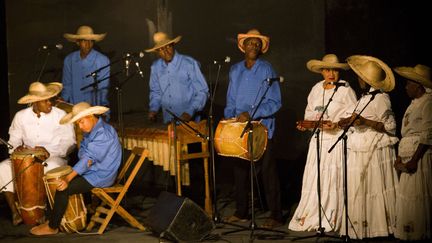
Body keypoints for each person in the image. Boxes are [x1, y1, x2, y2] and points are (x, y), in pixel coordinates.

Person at [30, 102, 122, 235]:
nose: (80, 126)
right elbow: (83, 154)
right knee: (59, 182)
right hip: (94, 171)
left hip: (102, 175)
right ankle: (51, 219)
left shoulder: (103, 134)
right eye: (77, 123)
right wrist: (87, 160)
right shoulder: (92, 130)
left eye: (81, 122)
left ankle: (52, 227)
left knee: (63, 188)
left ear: (91, 116)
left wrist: (69, 178)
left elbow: (86, 158)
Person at [288, 54, 357, 232]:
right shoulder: (316, 89)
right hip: (319, 140)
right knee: (316, 177)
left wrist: (336, 124)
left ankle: (332, 216)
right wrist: (307, 125)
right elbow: (310, 113)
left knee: (332, 178)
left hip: (335, 140)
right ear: (321, 72)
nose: (331, 74)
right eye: (327, 70)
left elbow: (353, 116)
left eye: (334, 70)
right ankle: (313, 214)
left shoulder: (345, 90)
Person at [223, 29, 283, 229]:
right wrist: (230, 117)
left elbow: (275, 102)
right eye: (250, 43)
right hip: (239, 128)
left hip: (262, 128)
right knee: (240, 171)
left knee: (267, 172)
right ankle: (242, 213)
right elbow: (231, 98)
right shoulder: (235, 70)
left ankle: (275, 215)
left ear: (261, 49)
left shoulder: (267, 69)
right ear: (243, 46)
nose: (254, 47)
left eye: (257, 44)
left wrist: (252, 114)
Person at [338, 55, 399, 239]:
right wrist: (346, 121)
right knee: (361, 185)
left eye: (360, 77)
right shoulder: (365, 98)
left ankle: (378, 227)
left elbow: (390, 127)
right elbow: (357, 116)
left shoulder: (381, 98)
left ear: (366, 79)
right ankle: (362, 225)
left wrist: (364, 121)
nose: (358, 80)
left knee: (374, 185)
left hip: (374, 146)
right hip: (361, 144)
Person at [0, 81, 76, 226]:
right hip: (26, 158)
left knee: (50, 167)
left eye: (51, 99)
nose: (50, 103)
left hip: (54, 157)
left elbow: (70, 143)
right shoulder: (21, 116)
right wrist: (16, 149)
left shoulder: (61, 115)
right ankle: (15, 212)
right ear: (35, 102)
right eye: (46, 100)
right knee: (3, 168)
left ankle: (46, 212)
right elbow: (14, 140)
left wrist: (50, 152)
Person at [392, 64, 431, 241]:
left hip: (419, 157)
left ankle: (420, 234)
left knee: (418, 195)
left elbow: (427, 134)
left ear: (418, 85)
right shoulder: (412, 104)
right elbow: (406, 132)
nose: (406, 87)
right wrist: (400, 156)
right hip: (407, 155)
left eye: (409, 83)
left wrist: (415, 159)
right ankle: (409, 233)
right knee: (408, 195)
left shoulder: (428, 103)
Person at [145, 31, 209, 124]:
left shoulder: (189, 63)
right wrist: (153, 109)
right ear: (157, 52)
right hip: (169, 121)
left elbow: (202, 92)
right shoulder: (155, 67)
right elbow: (156, 92)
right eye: (161, 49)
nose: (166, 51)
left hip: (191, 123)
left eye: (168, 46)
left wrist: (189, 112)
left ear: (173, 45)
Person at [62, 25, 110, 120]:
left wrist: (97, 109)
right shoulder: (69, 60)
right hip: (74, 108)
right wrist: (63, 101)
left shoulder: (103, 60)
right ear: (77, 42)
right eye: (84, 40)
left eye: (91, 41)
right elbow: (67, 85)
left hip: (95, 108)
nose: (88, 44)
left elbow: (103, 88)